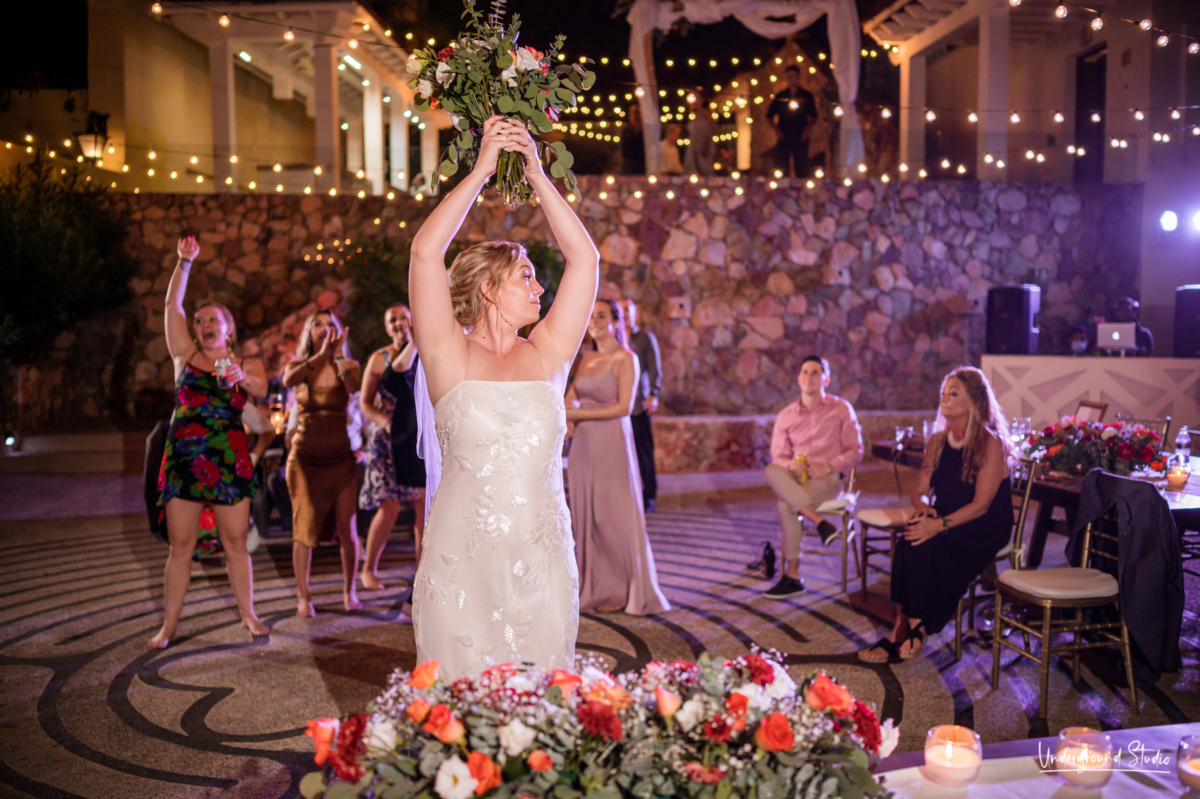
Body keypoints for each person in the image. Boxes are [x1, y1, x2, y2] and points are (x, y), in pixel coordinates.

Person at [408, 115, 599, 678]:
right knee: (458, 706)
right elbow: (424, 254)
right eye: (526, 277)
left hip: (542, 561)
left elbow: (585, 262)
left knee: (539, 702)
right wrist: (481, 170)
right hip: (460, 562)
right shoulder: (449, 357)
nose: (540, 288)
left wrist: (538, 173)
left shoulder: (548, 356)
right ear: (489, 289)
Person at [151, 235, 269, 648]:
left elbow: (259, 388)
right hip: (183, 459)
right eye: (200, 320)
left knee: (236, 543)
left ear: (229, 329)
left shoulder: (246, 363)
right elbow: (171, 307)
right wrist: (184, 262)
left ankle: (248, 615)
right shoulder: (184, 355)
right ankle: (168, 626)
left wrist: (242, 378)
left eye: (212, 320)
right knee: (180, 546)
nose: (203, 326)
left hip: (229, 461)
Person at [859, 366, 1013, 662]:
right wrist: (924, 509)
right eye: (943, 393)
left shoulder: (989, 442)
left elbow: (981, 505)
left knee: (926, 539)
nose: (944, 398)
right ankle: (908, 627)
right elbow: (917, 491)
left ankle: (909, 629)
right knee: (912, 532)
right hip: (947, 514)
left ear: (974, 401)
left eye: (953, 393)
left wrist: (938, 525)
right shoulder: (938, 441)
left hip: (984, 525)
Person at [566, 300, 670, 616]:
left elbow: (625, 407)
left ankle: (625, 589)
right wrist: (569, 413)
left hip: (612, 441)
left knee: (612, 516)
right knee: (588, 515)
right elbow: (572, 393)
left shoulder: (627, 359)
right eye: (591, 315)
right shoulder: (587, 357)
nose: (595, 320)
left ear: (616, 322)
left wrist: (574, 412)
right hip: (584, 444)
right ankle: (594, 587)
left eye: (602, 315)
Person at [283, 310, 362, 617]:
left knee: (348, 529)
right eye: (317, 324)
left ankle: (349, 590)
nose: (324, 328)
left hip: (340, 459)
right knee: (303, 529)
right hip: (304, 459)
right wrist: (321, 355)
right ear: (309, 332)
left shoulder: (348, 365)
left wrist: (338, 355)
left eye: (330, 324)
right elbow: (289, 379)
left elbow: (353, 388)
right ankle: (303, 597)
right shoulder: (297, 366)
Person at [763, 356, 863, 598]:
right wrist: (789, 465)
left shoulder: (841, 409)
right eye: (805, 372)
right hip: (796, 479)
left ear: (825, 379)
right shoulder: (786, 415)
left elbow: (856, 451)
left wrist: (828, 467)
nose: (809, 377)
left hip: (828, 481)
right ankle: (820, 523)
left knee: (786, 505)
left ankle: (793, 576)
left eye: (815, 372)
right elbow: (777, 456)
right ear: (798, 379)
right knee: (771, 470)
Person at [359, 303, 426, 591]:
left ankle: (422, 571)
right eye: (392, 320)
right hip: (388, 440)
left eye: (403, 317)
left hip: (417, 436)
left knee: (423, 505)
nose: (399, 322)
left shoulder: (423, 351)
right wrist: (386, 424)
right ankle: (368, 568)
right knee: (390, 506)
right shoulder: (379, 357)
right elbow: (365, 402)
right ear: (387, 328)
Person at [620, 298, 662, 514]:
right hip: (617, 406)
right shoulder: (614, 339)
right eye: (621, 310)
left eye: (628, 309)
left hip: (638, 405)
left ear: (636, 314)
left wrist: (653, 394)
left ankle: (649, 496)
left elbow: (655, 367)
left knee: (644, 453)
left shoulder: (645, 338)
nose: (624, 313)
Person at [766, 65, 817, 178]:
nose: (791, 79)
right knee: (781, 167)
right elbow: (769, 116)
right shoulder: (780, 96)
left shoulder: (806, 95)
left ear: (798, 77)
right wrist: (777, 131)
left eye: (793, 76)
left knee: (801, 167)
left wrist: (806, 130)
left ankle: (801, 191)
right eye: (788, 77)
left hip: (800, 136)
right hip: (784, 135)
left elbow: (814, 116)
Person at [681, 89, 715, 176]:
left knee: (704, 169)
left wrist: (707, 143)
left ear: (702, 99)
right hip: (693, 145)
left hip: (703, 144)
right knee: (691, 171)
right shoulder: (693, 114)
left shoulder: (705, 113)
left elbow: (714, 129)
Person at [621, 103, 645, 175]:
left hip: (642, 161)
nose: (636, 117)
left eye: (638, 114)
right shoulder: (626, 131)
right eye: (634, 114)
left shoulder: (645, 132)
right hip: (629, 162)